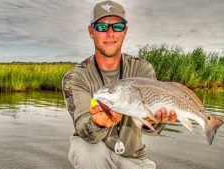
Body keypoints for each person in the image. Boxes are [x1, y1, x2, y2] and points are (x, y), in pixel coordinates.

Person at [62, 1, 177, 169]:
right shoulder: (75, 77)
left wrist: (158, 119)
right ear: (91, 32)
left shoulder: (142, 68)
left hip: (134, 158)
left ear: (125, 31)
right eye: (102, 27)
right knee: (91, 153)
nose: (110, 33)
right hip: (93, 152)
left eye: (117, 27)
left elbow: (153, 130)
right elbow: (84, 131)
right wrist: (98, 123)